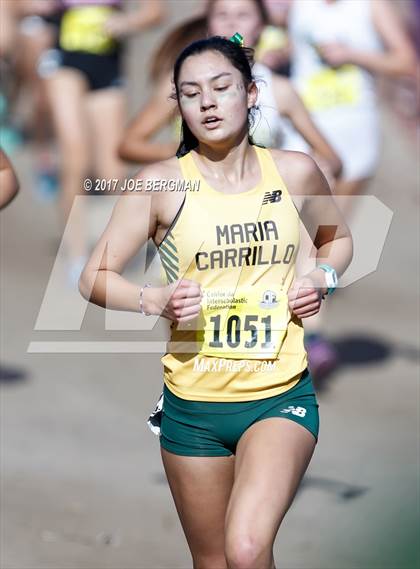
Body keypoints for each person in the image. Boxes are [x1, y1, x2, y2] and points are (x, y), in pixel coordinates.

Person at [80, 36, 353, 567]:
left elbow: (336, 241)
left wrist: (321, 277)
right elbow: (94, 276)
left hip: (278, 395)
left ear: (250, 93)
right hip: (193, 406)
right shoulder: (160, 185)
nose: (207, 102)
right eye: (190, 93)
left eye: (221, 88)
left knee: (247, 550)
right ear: (178, 106)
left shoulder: (294, 172)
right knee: (215, 562)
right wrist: (152, 298)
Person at [286, 0, 417, 376]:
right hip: (307, 130)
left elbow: (404, 60)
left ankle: (306, 334)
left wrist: (353, 55)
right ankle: (312, 337)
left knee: (326, 237)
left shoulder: (371, 6)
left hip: (356, 133)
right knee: (308, 236)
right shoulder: (297, 5)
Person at [118, 0, 342, 180]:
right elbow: (128, 146)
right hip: (195, 202)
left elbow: (333, 161)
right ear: (209, 25)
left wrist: (312, 168)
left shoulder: (279, 89)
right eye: (222, 15)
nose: (232, 23)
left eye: (243, 15)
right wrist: (186, 152)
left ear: (262, 27)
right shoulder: (183, 82)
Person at [40, 0, 165, 286]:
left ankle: (159, 238)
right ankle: (76, 254)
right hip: (64, 61)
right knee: (75, 156)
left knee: (112, 173)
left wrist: (126, 23)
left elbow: (155, 11)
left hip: (107, 64)